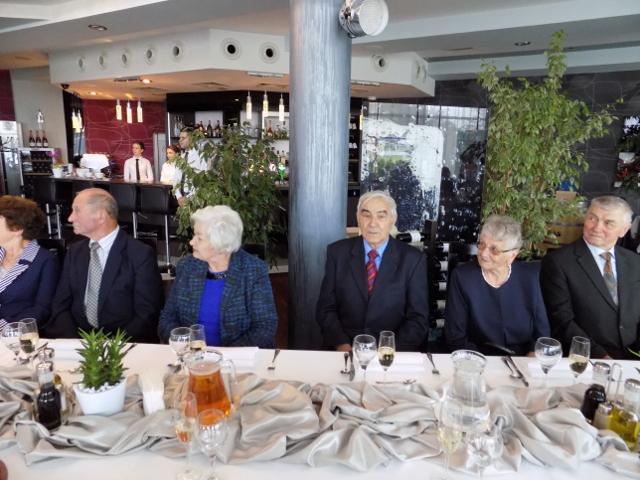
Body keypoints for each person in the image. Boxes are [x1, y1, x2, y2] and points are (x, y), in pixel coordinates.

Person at [43, 188, 162, 342]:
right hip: (78, 343)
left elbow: (146, 313)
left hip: (124, 344)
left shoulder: (139, 254)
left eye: (77, 210)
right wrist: (76, 343)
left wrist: (112, 347)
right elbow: (60, 305)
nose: (71, 218)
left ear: (100, 215)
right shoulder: (75, 252)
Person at [316, 190, 429, 352]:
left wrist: (388, 351)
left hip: (391, 352)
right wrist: (342, 344)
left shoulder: (413, 260)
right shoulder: (337, 252)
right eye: (366, 215)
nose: (372, 223)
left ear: (393, 220)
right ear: (358, 218)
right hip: (344, 348)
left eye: (381, 216)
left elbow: (418, 319)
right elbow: (326, 308)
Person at [158, 205, 277, 348]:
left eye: (199, 238)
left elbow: (265, 326)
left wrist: (225, 355)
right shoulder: (187, 267)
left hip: (238, 358)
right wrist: (185, 345)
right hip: (193, 356)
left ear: (220, 243)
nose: (191, 242)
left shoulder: (253, 270)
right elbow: (167, 318)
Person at [540, 195, 640, 359]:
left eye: (608, 223)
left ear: (624, 230)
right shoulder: (559, 262)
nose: (597, 227)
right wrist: (601, 356)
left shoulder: (635, 262)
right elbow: (562, 320)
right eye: (592, 218)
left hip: (632, 357)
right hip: (585, 357)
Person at [445, 215, 549, 356]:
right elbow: (455, 336)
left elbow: (542, 333)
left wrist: (532, 354)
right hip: (478, 358)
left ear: (512, 255)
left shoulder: (531, 277)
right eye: (482, 244)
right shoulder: (462, 277)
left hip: (523, 360)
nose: (484, 254)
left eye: (494, 249)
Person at [0, 196, 59, 330]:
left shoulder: (45, 260)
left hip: (16, 333)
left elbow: (42, 308)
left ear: (17, 229)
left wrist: (7, 328)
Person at [174, 127, 208, 205]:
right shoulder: (181, 157)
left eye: (183, 138)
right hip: (181, 200)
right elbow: (176, 179)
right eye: (179, 138)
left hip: (196, 200)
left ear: (192, 139)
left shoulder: (201, 157)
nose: (180, 140)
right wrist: (179, 197)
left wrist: (188, 198)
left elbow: (202, 181)